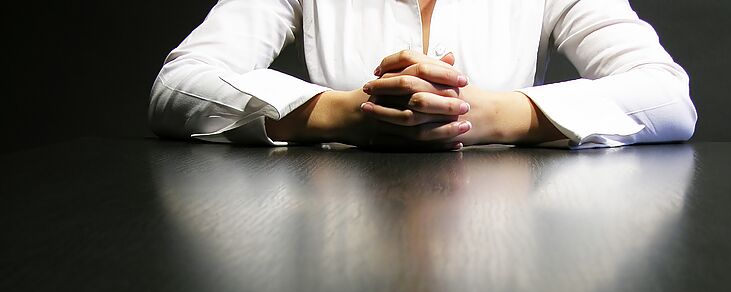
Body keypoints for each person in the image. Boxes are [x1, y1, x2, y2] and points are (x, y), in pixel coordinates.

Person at [148, 0, 697, 150]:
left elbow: (667, 95)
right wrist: (344, 113)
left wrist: (496, 116)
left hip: (507, 251)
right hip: (339, 253)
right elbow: (179, 84)